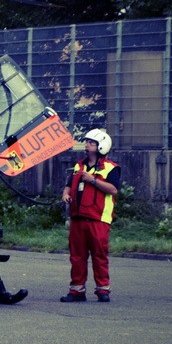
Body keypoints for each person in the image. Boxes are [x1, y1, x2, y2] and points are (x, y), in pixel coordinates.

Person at [59, 129, 121, 303]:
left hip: (98, 219)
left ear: (101, 146)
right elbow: (68, 184)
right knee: (77, 256)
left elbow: (113, 189)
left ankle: (103, 290)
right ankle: (77, 290)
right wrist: (66, 194)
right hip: (78, 217)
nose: (86, 145)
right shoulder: (79, 166)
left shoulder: (111, 168)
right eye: (87, 142)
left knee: (99, 255)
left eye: (91, 143)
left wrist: (93, 180)